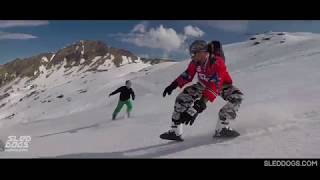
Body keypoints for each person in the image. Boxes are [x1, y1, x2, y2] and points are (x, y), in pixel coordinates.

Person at [160, 40, 243, 141]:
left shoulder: (217, 62)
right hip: (202, 84)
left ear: (202, 52)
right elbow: (188, 74)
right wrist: (173, 85)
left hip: (221, 85)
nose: (192, 56)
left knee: (237, 97)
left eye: (194, 53)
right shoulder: (195, 63)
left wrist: (198, 106)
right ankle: (175, 131)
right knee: (182, 98)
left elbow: (214, 85)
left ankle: (222, 127)